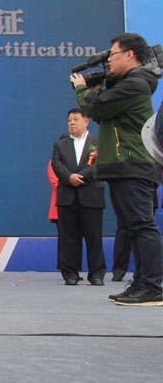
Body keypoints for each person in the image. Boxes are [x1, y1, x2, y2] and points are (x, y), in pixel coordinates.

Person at [71, 32, 163, 306]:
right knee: (132, 227)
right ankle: (142, 283)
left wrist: (82, 89)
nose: (109, 60)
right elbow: (104, 114)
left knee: (142, 226)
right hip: (122, 166)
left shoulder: (136, 84)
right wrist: (97, 89)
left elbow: (96, 107)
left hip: (132, 164)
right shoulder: (129, 84)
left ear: (130, 54)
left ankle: (153, 285)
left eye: (112, 54)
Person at [51, 109, 106, 286]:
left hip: (91, 195)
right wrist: (69, 177)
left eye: (75, 119)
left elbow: (100, 164)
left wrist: (81, 177)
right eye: (69, 120)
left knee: (94, 237)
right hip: (67, 196)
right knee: (69, 238)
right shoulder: (60, 144)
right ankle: (70, 273)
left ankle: (96, 274)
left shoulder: (97, 142)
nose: (72, 123)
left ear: (86, 121)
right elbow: (56, 164)